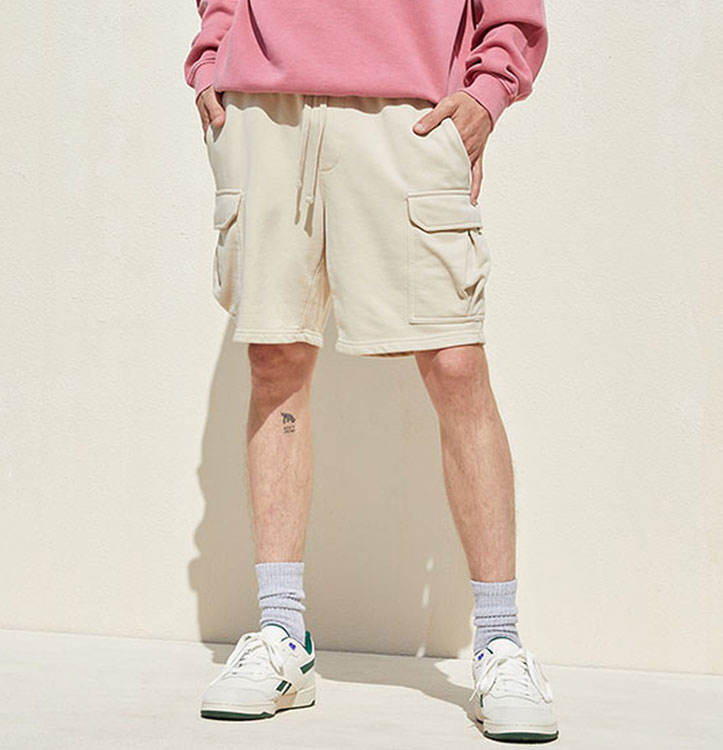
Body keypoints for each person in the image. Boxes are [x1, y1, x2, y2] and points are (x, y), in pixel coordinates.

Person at [184, 0, 556, 742]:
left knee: (455, 362)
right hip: (265, 106)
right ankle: (283, 635)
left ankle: (499, 641)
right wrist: (215, 52)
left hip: (409, 109)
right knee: (275, 358)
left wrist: (488, 92)